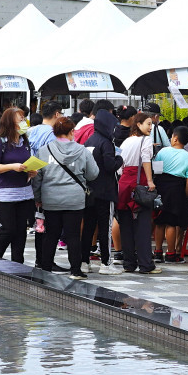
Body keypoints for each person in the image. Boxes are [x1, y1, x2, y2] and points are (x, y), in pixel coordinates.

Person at [32, 116, 99, 279]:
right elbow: (93, 174)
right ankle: (75, 270)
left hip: (50, 199)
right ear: (71, 131)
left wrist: (38, 197)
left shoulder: (43, 150)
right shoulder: (82, 150)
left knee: (51, 235)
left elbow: (36, 178)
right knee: (73, 235)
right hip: (74, 199)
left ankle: (46, 268)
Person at [0, 107, 38, 264]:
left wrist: (30, 172)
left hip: (24, 192)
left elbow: (25, 163)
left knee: (20, 230)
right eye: (20, 120)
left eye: (24, 119)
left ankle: (18, 263)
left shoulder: (25, 142)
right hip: (5, 193)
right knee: (8, 228)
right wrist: (12, 166)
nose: (24, 123)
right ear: (10, 122)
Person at [116, 111, 161, 273]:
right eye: (148, 123)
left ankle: (129, 263)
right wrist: (150, 181)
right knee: (143, 225)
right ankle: (146, 264)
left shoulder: (126, 142)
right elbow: (146, 160)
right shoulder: (146, 140)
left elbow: (119, 165)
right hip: (139, 185)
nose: (150, 127)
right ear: (139, 125)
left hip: (123, 185)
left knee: (126, 225)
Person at [83, 105, 123, 274]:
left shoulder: (89, 140)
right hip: (105, 191)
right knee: (105, 227)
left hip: (89, 191)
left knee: (89, 227)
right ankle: (106, 263)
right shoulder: (106, 143)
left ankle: (84, 261)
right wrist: (119, 159)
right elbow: (109, 165)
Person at [153, 125, 188, 263]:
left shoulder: (163, 152)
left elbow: (156, 170)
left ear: (175, 139)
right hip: (177, 189)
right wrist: (184, 195)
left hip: (161, 186)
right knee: (171, 223)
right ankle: (171, 254)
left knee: (159, 222)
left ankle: (158, 252)